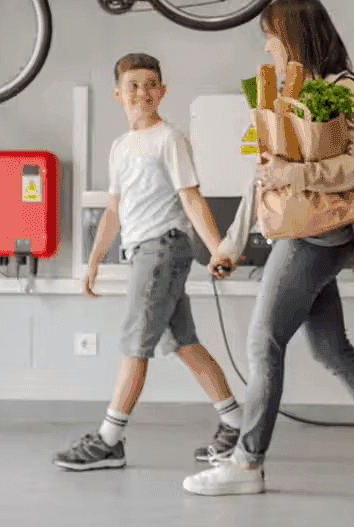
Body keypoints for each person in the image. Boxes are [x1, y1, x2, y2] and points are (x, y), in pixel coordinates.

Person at [181, 0, 354, 497]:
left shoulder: (342, 88)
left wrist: (297, 170)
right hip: (300, 230)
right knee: (330, 347)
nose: (268, 45)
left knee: (262, 342)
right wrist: (232, 242)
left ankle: (246, 462)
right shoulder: (290, 91)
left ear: (295, 36)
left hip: (319, 235)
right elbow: (265, 178)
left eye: (273, 35)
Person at [53, 53, 244, 471]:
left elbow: (191, 198)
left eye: (151, 84)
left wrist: (218, 249)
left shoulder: (169, 139)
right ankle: (237, 425)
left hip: (163, 248)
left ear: (163, 92)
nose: (143, 92)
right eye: (134, 84)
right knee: (184, 343)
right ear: (118, 94)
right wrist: (94, 261)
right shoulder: (121, 147)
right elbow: (113, 211)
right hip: (143, 250)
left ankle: (109, 441)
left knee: (133, 345)